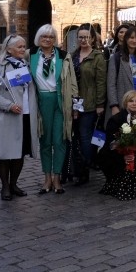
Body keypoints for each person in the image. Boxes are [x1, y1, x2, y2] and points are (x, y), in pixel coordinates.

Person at [0, 35, 40, 200]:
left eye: (24, 46)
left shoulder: (25, 65)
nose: (23, 49)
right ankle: (5, 187)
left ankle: (14, 183)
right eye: (20, 47)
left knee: (19, 152)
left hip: (25, 114)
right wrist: (8, 105)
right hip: (6, 117)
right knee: (5, 152)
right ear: (9, 49)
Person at [29, 24, 77, 194]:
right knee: (45, 140)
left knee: (60, 139)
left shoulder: (64, 57)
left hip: (61, 101)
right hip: (41, 101)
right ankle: (46, 177)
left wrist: (75, 105)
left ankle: (57, 177)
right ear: (38, 39)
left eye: (50, 37)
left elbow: (72, 82)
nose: (47, 39)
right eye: (44, 37)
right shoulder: (31, 55)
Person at [71, 24, 107, 186]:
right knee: (76, 137)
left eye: (86, 37)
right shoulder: (72, 56)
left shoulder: (97, 57)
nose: (83, 40)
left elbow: (101, 82)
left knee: (85, 135)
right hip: (74, 103)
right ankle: (79, 168)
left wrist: (100, 103)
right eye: (80, 37)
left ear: (92, 38)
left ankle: (87, 166)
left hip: (90, 103)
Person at [99, 90, 136, 200]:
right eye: (131, 101)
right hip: (116, 156)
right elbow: (110, 144)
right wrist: (123, 156)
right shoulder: (115, 119)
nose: (134, 103)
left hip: (134, 155)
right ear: (125, 103)